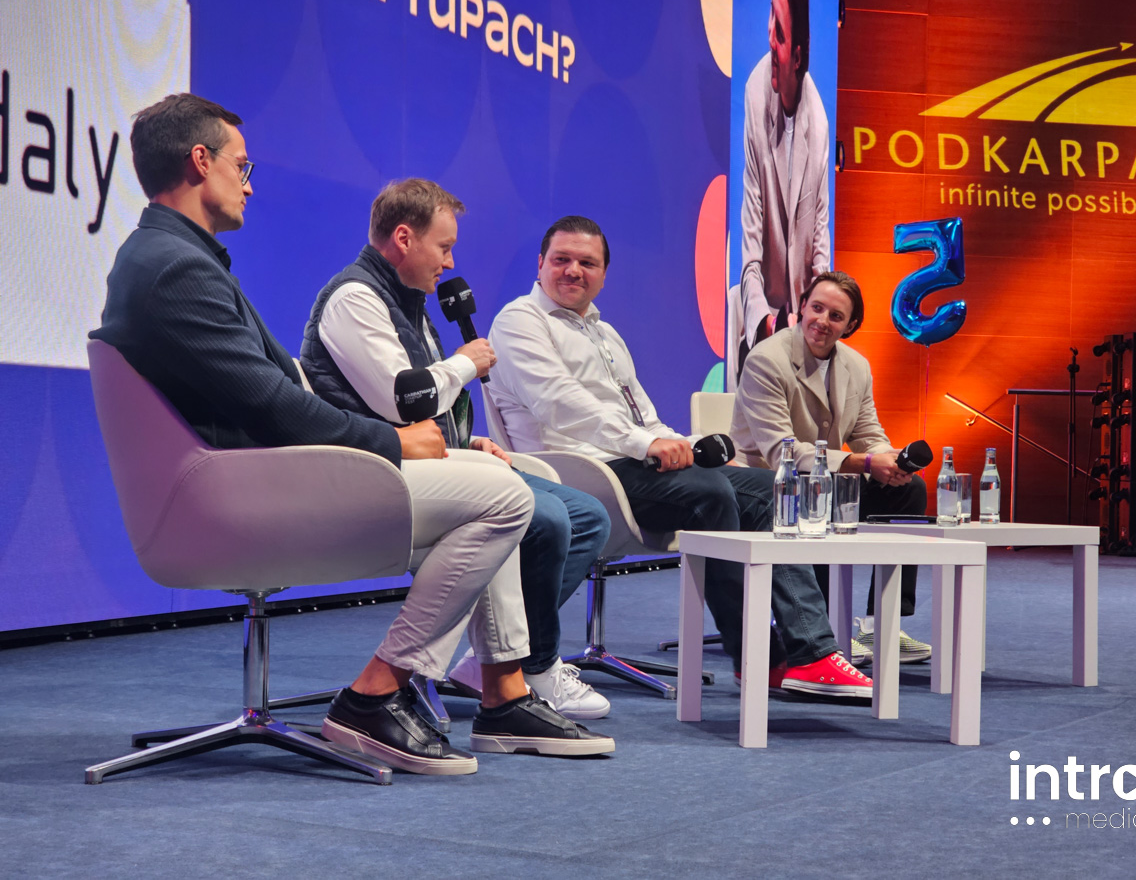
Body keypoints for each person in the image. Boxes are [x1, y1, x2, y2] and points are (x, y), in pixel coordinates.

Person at [90, 94, 611, 778]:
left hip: (254, 475)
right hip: (244, 491)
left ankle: (497, 692)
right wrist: (394, 444)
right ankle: (378, 692)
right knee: (503, 499)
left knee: (495, 486)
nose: (249, 183)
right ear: (200, 162)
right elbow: (276, 408)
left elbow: (278, 395)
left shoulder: (172, 257)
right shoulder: (175, 267)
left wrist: (431, 446)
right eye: (242, 166)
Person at [487, 215, 871, 698]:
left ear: (604, 273)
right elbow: (559, 403)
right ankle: (755, 656)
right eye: (562, 259)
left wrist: (689, 447)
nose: (573, 271)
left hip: (630, 463)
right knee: (709, 493)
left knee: (772, 489)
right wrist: (644, 445)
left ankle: (807, 653)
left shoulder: (605, 334)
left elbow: (644, 416)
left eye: (587, 263)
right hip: (575, 470)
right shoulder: (520, 320)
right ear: (540, 263)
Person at [300, 178, 612, 720]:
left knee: (586, 515)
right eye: (444, 247)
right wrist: (467, 361)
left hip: (436, 460)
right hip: (379, 474)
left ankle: (502, 667)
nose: (449, 263)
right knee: (538, 516)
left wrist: (467, 441)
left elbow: (427, 407)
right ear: (404, 238)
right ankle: (519, 674)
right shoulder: (355, 298)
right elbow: (404, 400)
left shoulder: (410, 301)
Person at [730, 271, 932, 665]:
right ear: (802, 306)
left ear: (850, 325)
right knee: (816, 494)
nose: (822, 321)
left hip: (826, 478)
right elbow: (783, 453)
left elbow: (868, 433)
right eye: (817, 308)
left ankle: (881, 624)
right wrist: (864, 462)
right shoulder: (766, 360)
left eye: (835, 316)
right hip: (770, 485)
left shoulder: (857, 366)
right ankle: (821, 631)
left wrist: (890, 461)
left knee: (909, 490)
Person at [739, 0, 830, 369]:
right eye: (769, 19)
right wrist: (764, 321)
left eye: (778, 30)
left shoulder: (818, 122)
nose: (769, 37)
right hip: (764, 312)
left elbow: (819, 234)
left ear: (797, 54)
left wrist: (819, 311)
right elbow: (752, 226)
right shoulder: (755, 92)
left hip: (802, 317)